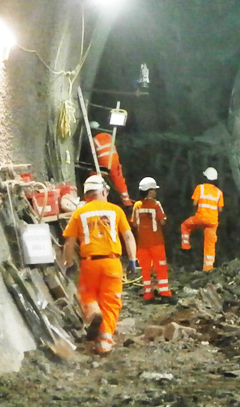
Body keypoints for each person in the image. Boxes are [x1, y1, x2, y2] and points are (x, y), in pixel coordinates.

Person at [62, 174, 138, 355]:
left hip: (89, 264)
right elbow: (128, 236)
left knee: (87, 295)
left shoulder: (79, 213)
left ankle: (94, 312)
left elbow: (69, 243)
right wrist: (133, 260)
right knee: (111, 303)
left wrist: (69, 262)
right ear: (103, 191)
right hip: (112, 263)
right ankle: (104, 344)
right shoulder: (116, 211)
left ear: (86, 196)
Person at [131, 177, 171, 301]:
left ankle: (148, 294)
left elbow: (133, 223)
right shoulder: (156, 204)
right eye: (154, 190)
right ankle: (165, 293)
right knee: (161, 267)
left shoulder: (137, 205)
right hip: (156, 242)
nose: (155, 192)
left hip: (142, 243)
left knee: (145, 269)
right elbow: (163, 221)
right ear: (149, 191)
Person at [180, 167, 224, 271]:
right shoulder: (219, 192)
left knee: (185, 226)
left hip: (200, 218)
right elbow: (220, 209)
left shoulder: (200, 188)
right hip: (213, 221)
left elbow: (194, 203)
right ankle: (208, 267)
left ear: (205, 177)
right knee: (210, 244)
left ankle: (186, 245)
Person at [93, 131, 133, 206]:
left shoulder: (94, 139)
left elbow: (92, 153)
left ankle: (95, 200)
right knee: (119, 182)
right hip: (114, 162)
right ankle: (127, 203)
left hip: (103, 164)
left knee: (93, 178)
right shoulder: (109, 136)